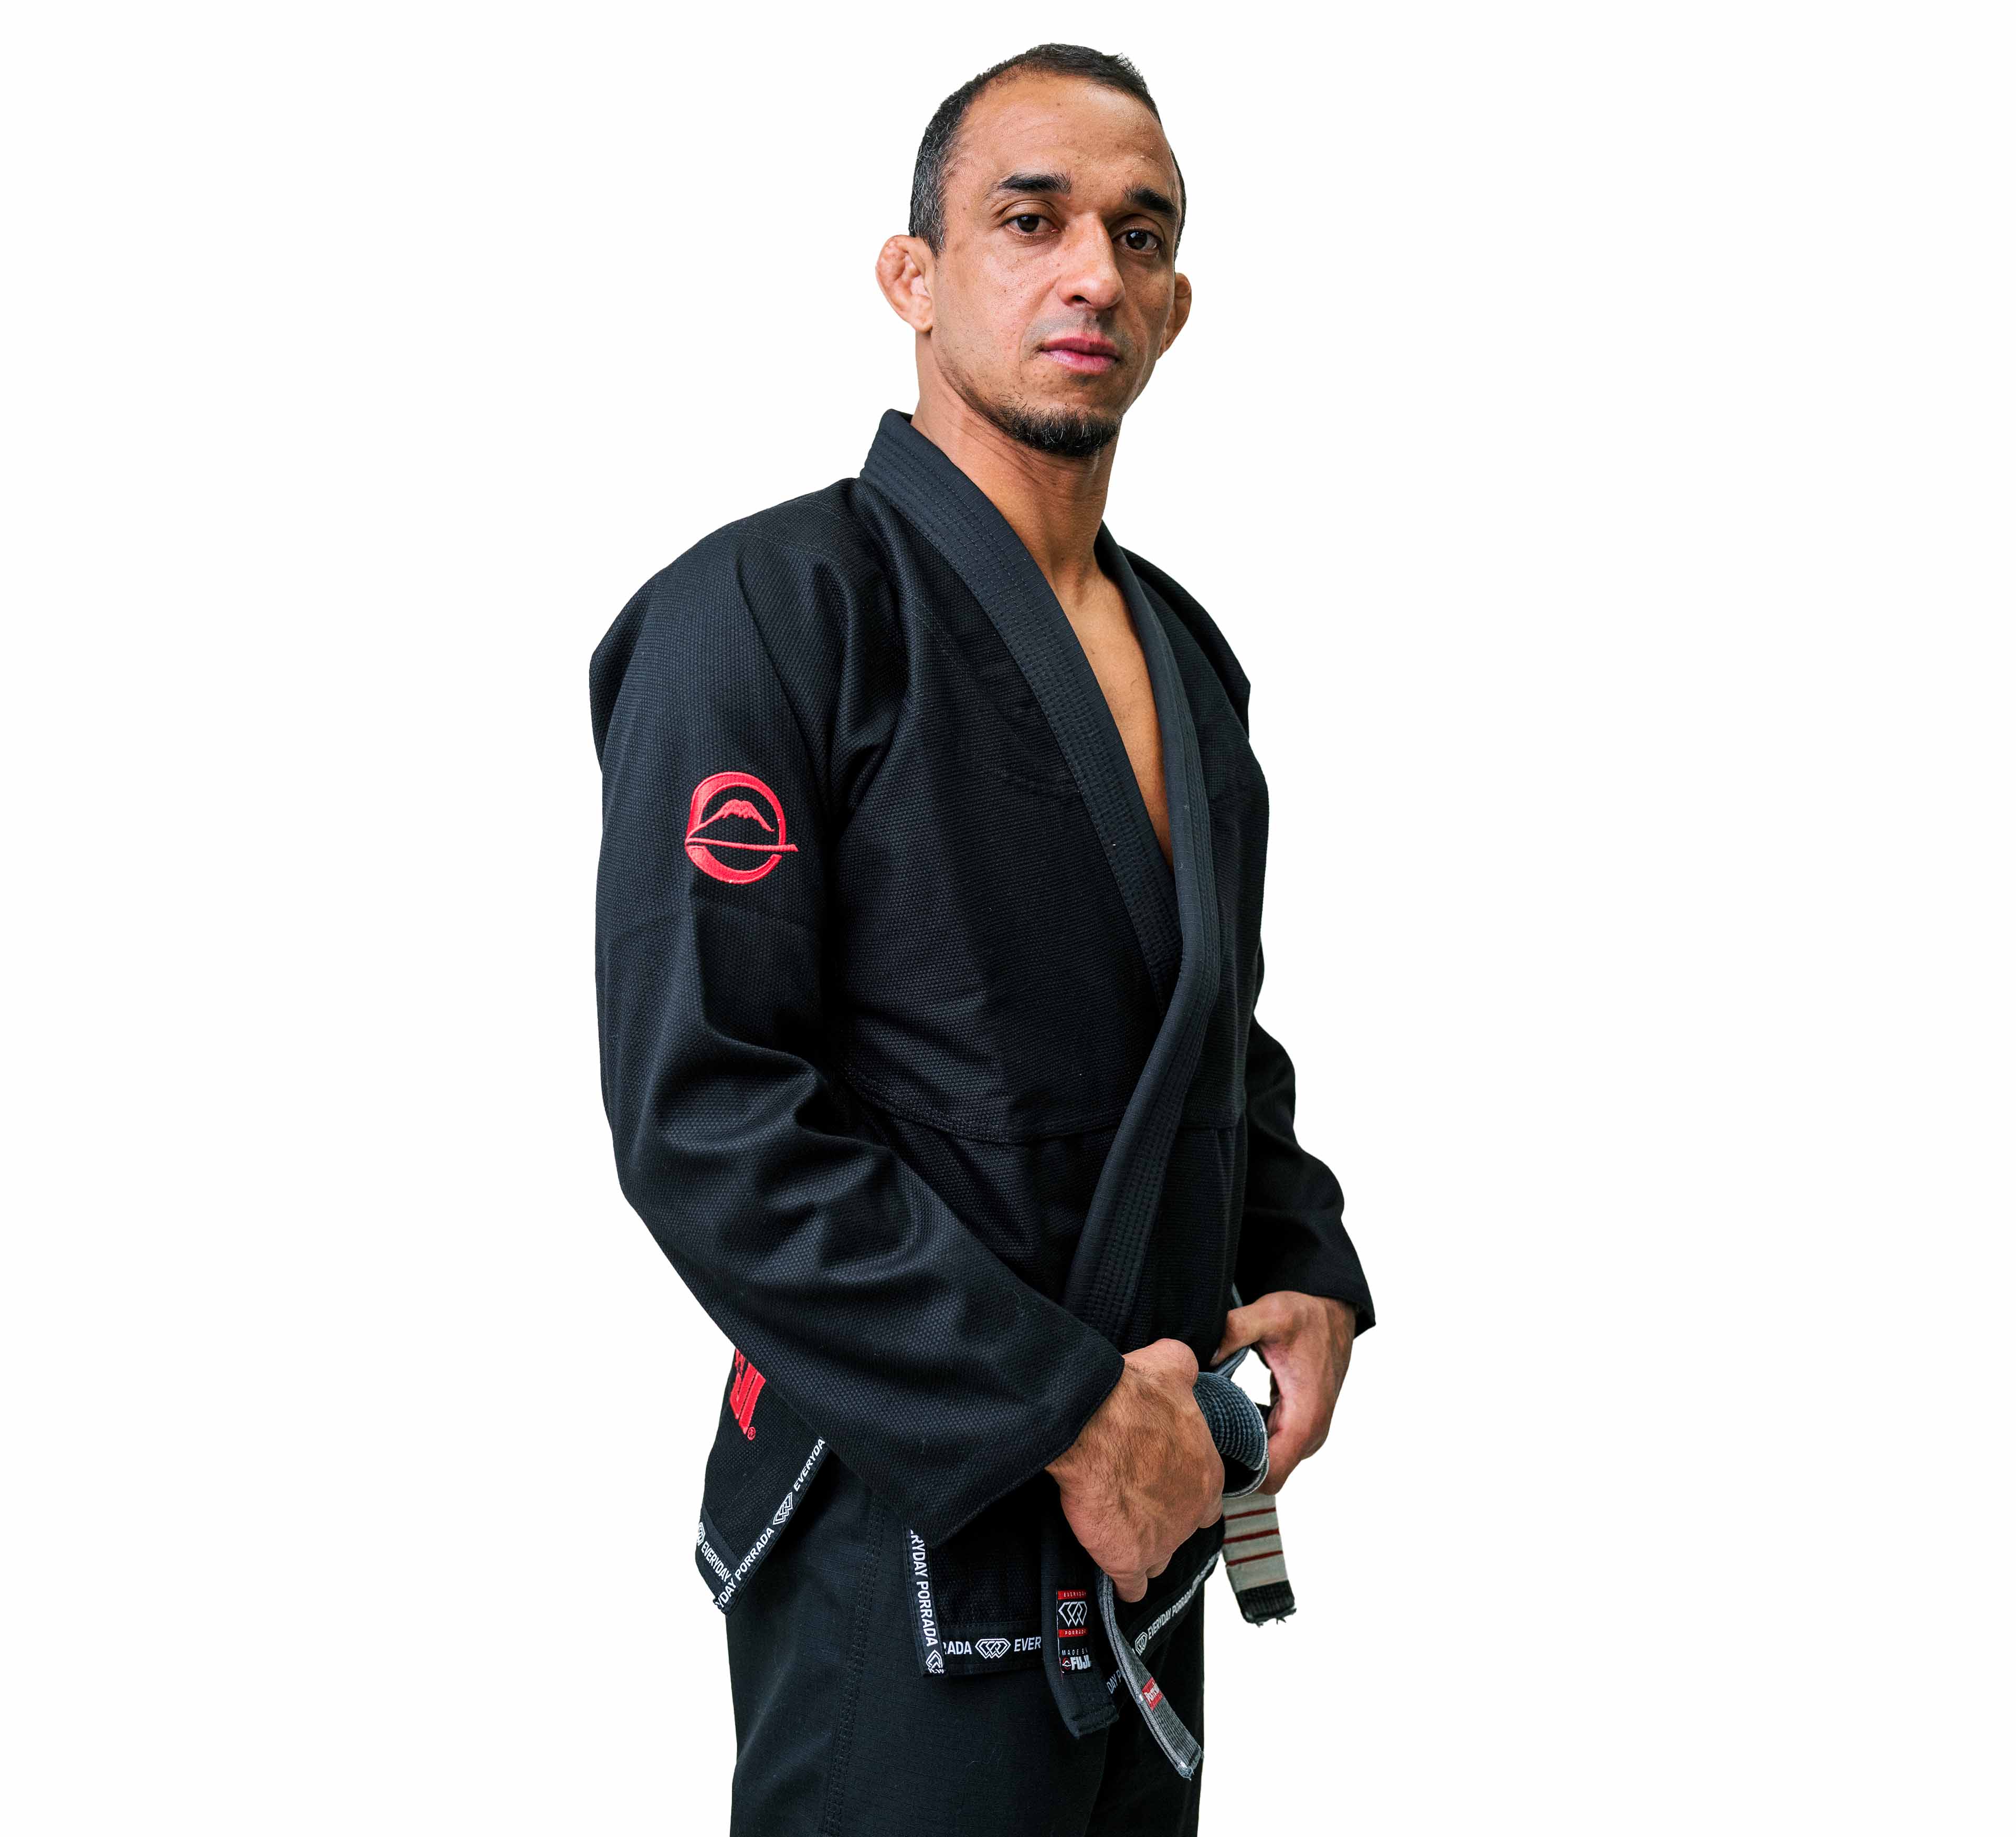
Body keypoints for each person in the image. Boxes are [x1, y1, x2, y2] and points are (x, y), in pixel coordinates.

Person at [590, 43, 1375, 1836]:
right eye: (1029, 220)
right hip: (906, 1510)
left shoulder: (1189, 656)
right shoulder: (768, 614)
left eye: (1137, 232)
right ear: (913, 275)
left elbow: (1211, 1037)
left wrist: (1307, 1266)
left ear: (1176, 301)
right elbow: (709, 1116)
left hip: (1160, 1512)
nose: (1090, 270)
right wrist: (1062, 1411)